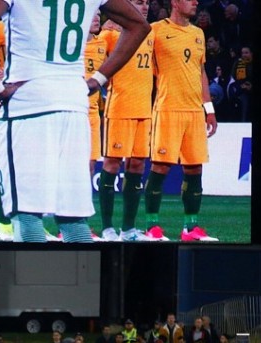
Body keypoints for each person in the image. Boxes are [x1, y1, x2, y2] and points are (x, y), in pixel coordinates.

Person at [0, 0, 149, 243]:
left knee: (27, 216)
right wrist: (98, 78)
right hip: (74, 103)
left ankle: (34, 281)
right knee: (74, 220)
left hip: (29, 102)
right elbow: (139, 25)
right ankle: (86, 281)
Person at [142, 0, 218, 242]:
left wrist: (209, 108)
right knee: (161, 167)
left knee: (195, 168)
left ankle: (190, 228)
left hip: (194, 112)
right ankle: (152, 227)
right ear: (175, 2)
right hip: (167, 109)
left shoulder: (198, 34)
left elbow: (201, 72)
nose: (195, 2)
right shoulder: (155, 30)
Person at [96, 0, 160, 241]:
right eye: (138, 2)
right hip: (119, 109)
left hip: (144, 110)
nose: (144, 7)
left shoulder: (151, 34)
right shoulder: (109, 36)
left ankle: (129, 229)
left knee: (137, 166)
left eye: (146, 3)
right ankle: (107, 228)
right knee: (112, 164)